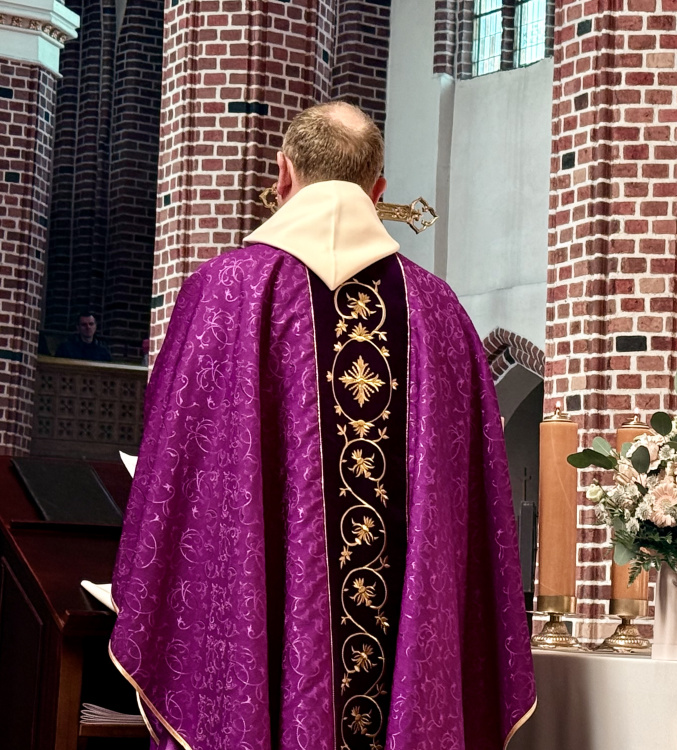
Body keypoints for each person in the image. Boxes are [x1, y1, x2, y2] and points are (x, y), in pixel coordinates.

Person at [110, 102, 535, 750]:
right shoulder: (440, 314)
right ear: (378, 190)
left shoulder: (224, 293)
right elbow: (477, 514)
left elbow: (175, 476)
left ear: (283, 175)